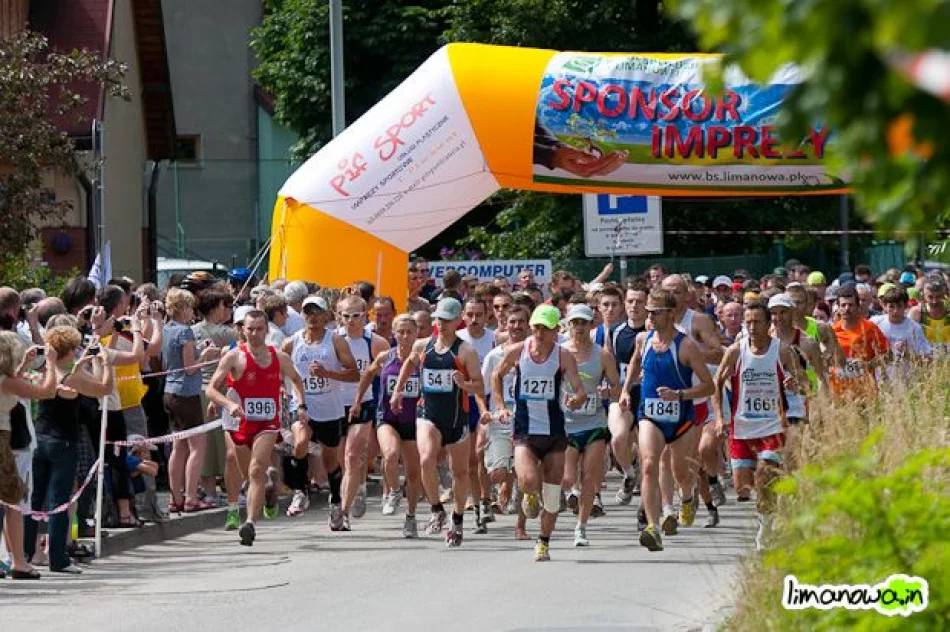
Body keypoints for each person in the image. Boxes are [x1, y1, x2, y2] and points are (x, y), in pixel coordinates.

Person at [620, 289, 714, 552]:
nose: (650, 317)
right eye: (649, 312)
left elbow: (709, 386)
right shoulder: (643, 339)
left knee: (680, 472)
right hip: (650, 415)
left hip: (680, 418)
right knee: (649, 463)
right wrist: (626, 390)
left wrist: (679, 394)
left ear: (671, 314)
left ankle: (687, 496)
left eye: (656, 313)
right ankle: (653, 526)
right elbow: (635, 363)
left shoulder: (686, 346)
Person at [491, 304, 586, 561]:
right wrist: (501, 406)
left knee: (553, 497)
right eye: (536, 328)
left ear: (556, 331)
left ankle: (543, 542)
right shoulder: (518, 351)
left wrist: (576, 399)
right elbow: (496, 375)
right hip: (525, 431)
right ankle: (529, 495)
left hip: (554, 432)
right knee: (528, 480)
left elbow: (579, 389)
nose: (540, 334)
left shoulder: (563, 356)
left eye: (546, 329)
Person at [206, 310, 308, 546]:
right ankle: (269, 489)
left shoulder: (279, 357)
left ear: (267, 330)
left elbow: (296, 379)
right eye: (250, 329)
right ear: (243, 330)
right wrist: (229, 404)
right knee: (249, 475)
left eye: (259, 329)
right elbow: (211, 388)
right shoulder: (233, 357)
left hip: (267, 422)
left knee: (255, 469)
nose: (254, 334)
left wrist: (301, 405)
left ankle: (250, 523)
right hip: (239, 422)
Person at [390, 298, 486, 547]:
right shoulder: (423, 345)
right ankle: (436, 509)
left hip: (456, 417)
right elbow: (409, 363)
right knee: (426, 459)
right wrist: (398, 390)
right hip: (428, 413)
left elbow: (479, 386)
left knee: (460, 472)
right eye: (438, 319)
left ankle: (458, 518)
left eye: (446, 320)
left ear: (457, 322)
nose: (441, 324)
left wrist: (464, 384)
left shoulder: (466, 351)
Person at [713, 301, 801, 551]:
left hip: (773, 427)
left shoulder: (782, 350)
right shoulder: (736, 351)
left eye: (757, 322)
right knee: (742, 487)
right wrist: (719, 417)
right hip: (742, 427)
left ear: (768, 323)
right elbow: (716, 383)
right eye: (748, 322)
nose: (752, 327)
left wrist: (795, 384)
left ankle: (765, 530)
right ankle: (771, 501)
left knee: (764, 475)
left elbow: (804, 382)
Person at [26, 325, 113, 574]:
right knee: (59, 500)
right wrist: (106, 363)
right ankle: (58, 558)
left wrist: (84, 360)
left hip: (39, 438)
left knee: (34, 499)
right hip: (63, 442)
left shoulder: (45, 371)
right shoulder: (70, 378)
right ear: (70, 350)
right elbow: (104, 389)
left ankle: (25, 553)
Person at [282, 296, 358, 528]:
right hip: (302, 405)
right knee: (300, 442)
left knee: (330, 461)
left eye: (317, 312)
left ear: (326, 315)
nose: (312, 318)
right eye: (308, 312)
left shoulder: (335, 341)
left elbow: (354, 374)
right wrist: (281, 388)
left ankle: (335, 501)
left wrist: (328, 374)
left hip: (330, 408)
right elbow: (277, 370)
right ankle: (300, 491)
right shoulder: (291, 343)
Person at [352, 314, 423, 537]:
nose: (405, 336)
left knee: (413, 473)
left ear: (416, 333)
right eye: (400, 332)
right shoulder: (386, 357)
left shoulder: (423, 360)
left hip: (414, 421)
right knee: (390, 454)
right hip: (387, 417)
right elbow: (367, 375)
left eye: (409, 332)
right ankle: (393, 491)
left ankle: (411, 516)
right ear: (393, 333)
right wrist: (357, 401)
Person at [560, 304, 621, 547]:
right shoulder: (560, 352)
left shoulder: (602, 355)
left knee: (589, 476)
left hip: (594, 422)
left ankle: (581, 527)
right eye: (575, 322)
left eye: (583, 323)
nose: (579, 327)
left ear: (591, 324)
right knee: (567, 477)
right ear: (568, 324)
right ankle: (571, 494)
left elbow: (617, 387)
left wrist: (607, 392)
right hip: (567, 423)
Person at [0, 332, 57, 579]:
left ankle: (17, 560)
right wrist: (51, 363)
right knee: (13, 498)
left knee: (9, 500)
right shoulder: (5, 381)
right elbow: (47, 391)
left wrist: (24, 364)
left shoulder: (6, 379)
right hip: (2, 438)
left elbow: (13, 381)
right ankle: (19, 562)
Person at [163, 289, 219, 514]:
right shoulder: (184, 331)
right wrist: (205, 356)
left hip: (170, 391)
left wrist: (199, 350)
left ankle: (175, 497)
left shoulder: (167, 329)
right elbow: (190, 368)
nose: (192, 313)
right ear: (183, 308)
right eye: (189, 308)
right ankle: (191, 498)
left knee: (178, 447)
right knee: (198, 446)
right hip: (186, 394)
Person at [481, 305, 530, 539]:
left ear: (528, 325)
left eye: (521, 322)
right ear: (505, 325)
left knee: (525, 477)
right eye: (512, 322)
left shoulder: (537, 354)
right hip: (500, 422)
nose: (516, 326)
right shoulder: (494, 357)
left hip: (529, 423)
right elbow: (482, 390)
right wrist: (487, 412)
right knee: (498, 473)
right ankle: (503, 482)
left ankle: (520, 526)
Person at [191, 289, 239, 528]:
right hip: (219, 391)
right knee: (224, 444)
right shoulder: (226, 333)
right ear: (217, 307)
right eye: (225, 306)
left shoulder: (193, 331)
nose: (228, 311)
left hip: (198, 389)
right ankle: (227, 490)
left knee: (204, 443)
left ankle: (209, 491)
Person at [340, 295, 389, 523]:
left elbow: (387, 377)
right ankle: (358, 485)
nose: (351, 321)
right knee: (343, 460)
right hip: (336, 403)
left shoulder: (377, 343)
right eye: (346, 316)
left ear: (365, 316)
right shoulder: (333, 340)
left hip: (364, 403)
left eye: (356, 316)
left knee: (353, 455)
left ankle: (344, 510)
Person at [456, 297, 496, 532]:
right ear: (463, 316)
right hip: (463, 403)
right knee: (472, 461)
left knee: (481, 454)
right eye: (469, 315)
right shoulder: (457, 340)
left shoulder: (494, 339)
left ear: (487, 315)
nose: (474, 319)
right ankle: (480, 506)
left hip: (488, 403)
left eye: (478, 315)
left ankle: (487, 498)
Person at [830, 286, 889, 397]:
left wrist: (869, 365)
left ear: (858, 307)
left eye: (851, 305)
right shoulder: (832, 331)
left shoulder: (869, 328)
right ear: (838, 308)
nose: (847, 308)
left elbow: (887, 354)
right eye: (843, 305)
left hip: (865, 391)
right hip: (838, 391)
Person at [871, 287, 931, 379]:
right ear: (885, 306)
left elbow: (927, 359)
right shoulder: (875, 323)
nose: (895, 311)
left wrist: (907, 353)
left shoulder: (914, 328)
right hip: (881, 380)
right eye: (891, 306)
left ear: (906, 306)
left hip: (906, 380)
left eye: (899, 306)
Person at [909, 276, 949, 355]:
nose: (934, 301)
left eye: (938, 297)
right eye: (930, 297)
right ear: (923, 295)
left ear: (944, 295)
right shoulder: (916, 312)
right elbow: (910, 340)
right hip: (925, 359)